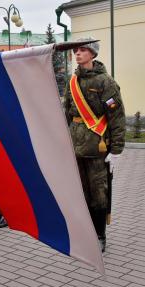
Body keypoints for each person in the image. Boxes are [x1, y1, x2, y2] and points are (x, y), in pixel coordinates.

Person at [63, 37, 126, 252]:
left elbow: (117, 117)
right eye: (75, 51)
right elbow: (66, 114)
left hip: (97, 147)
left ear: (92, 54)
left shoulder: (105, 82)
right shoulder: (72, 82)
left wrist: (116, 150)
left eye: (82, 50)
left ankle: (100, 235)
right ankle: (86, 232)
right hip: (75, 146)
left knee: (99, 193)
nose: (77, 54)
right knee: (81, 192)